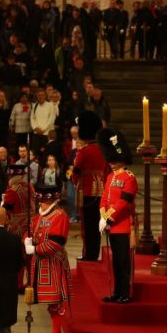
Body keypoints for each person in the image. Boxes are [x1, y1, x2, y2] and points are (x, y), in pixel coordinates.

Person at [24, 186, 72, 333]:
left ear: (52, 201)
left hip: (53, 263)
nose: (42, 204)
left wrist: (35, 249)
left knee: (55, 302)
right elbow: (29, 230)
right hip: (40, 264)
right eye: (41, 201)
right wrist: (26, 241)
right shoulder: (38, 216)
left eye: (44, 201)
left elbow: (57, 243)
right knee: (49, 302)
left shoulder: (60, 216)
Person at [97, 128, 138, 304]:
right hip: (111, 225)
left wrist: (108, 217)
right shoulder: (110, 177)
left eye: (115, 160)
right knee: (115, 263)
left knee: (123, 262)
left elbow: (124, 203)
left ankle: (125, 293)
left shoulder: (129, 178)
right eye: (111, 160)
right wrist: (102, 216)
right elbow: (104, 198)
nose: (112, 163)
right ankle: (117, 292)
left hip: (122, 224)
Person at [72, 111, 109, 261]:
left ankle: (89, 254)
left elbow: (76, 171)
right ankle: (94, 253)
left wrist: (76, 182)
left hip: (86, 191)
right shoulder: (103, 149)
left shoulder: (84, 151)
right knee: (97, 225)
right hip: (102, 191)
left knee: (87, 227)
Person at [1, 165, 33, 290]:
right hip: (30, 224)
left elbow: (6, 208)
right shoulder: (29, 187)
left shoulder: (12, 190)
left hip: (16, 226)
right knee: (28, 255)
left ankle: (18, 284)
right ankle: (30, 282)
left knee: (17, 255)